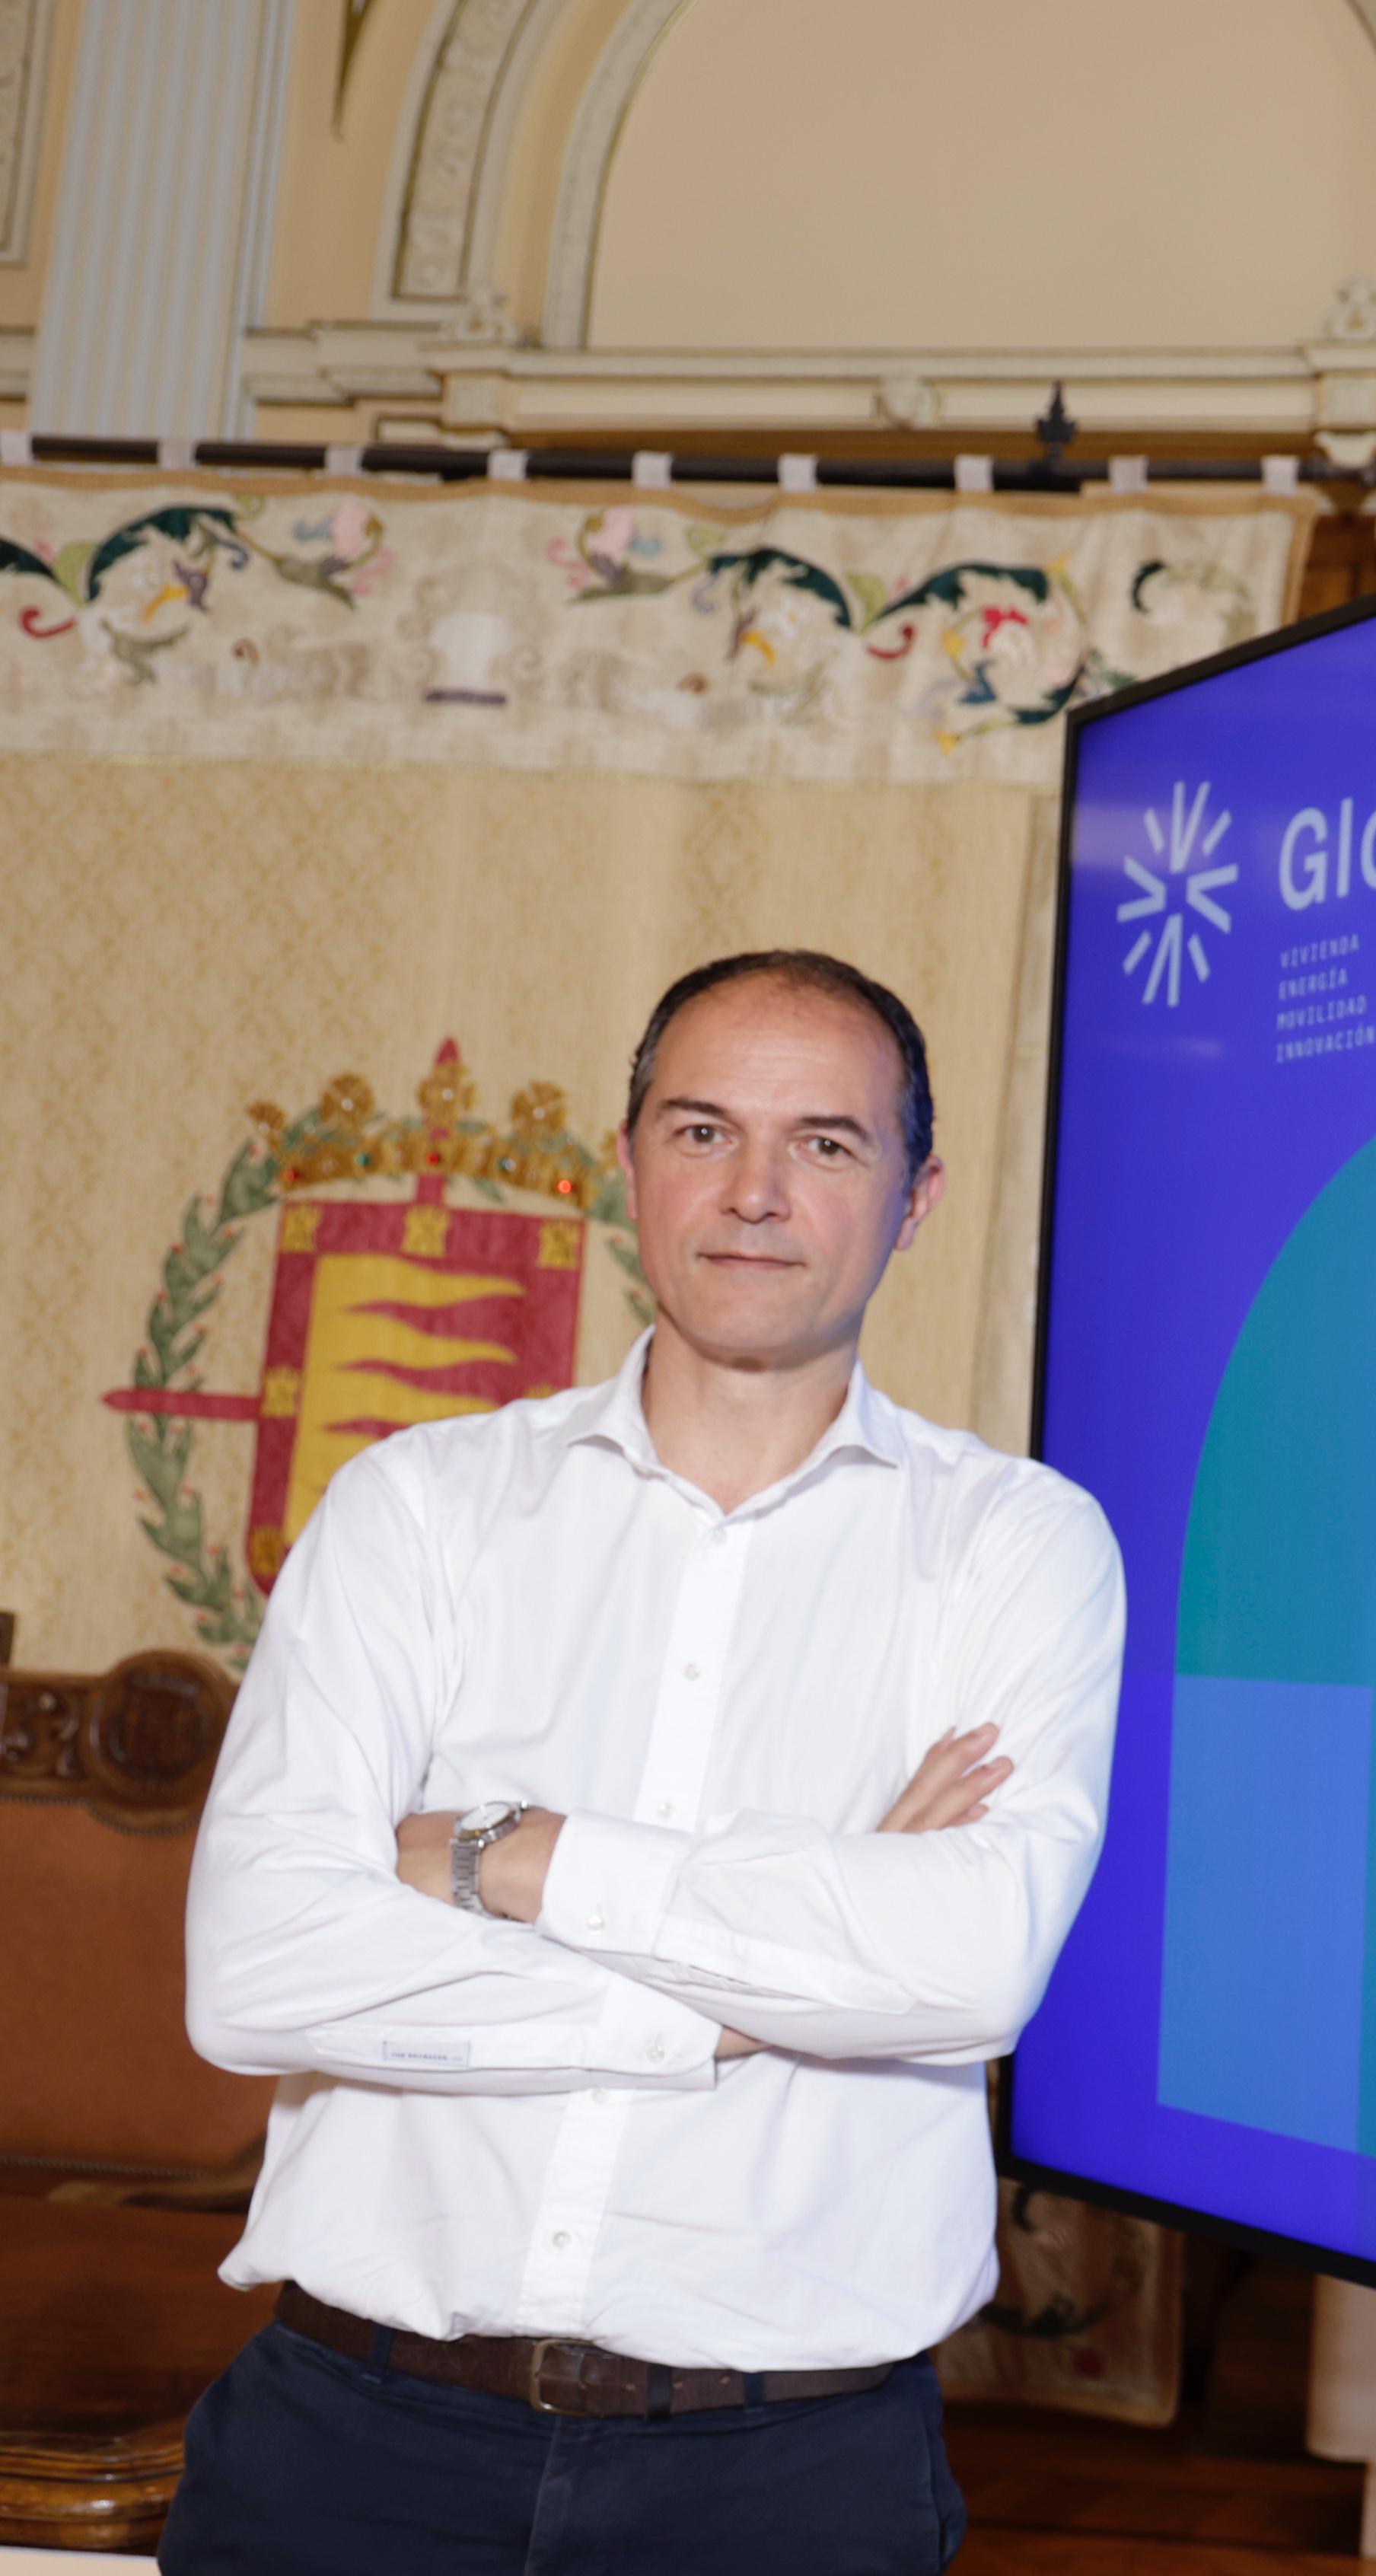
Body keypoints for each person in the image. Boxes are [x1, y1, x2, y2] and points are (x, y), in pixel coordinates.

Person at [165, 951, 1124, 2574]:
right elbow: (256, 1972)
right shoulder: (420, 1510)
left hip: (789, 2480)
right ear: (628, 1163)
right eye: (702, 1131)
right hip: (350, 2444)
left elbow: (967, 1965)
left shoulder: (1016, 1546)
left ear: (917, 1197)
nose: (755, 1192)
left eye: (826, 1144)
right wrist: (766, 1991)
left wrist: (512, 1854)